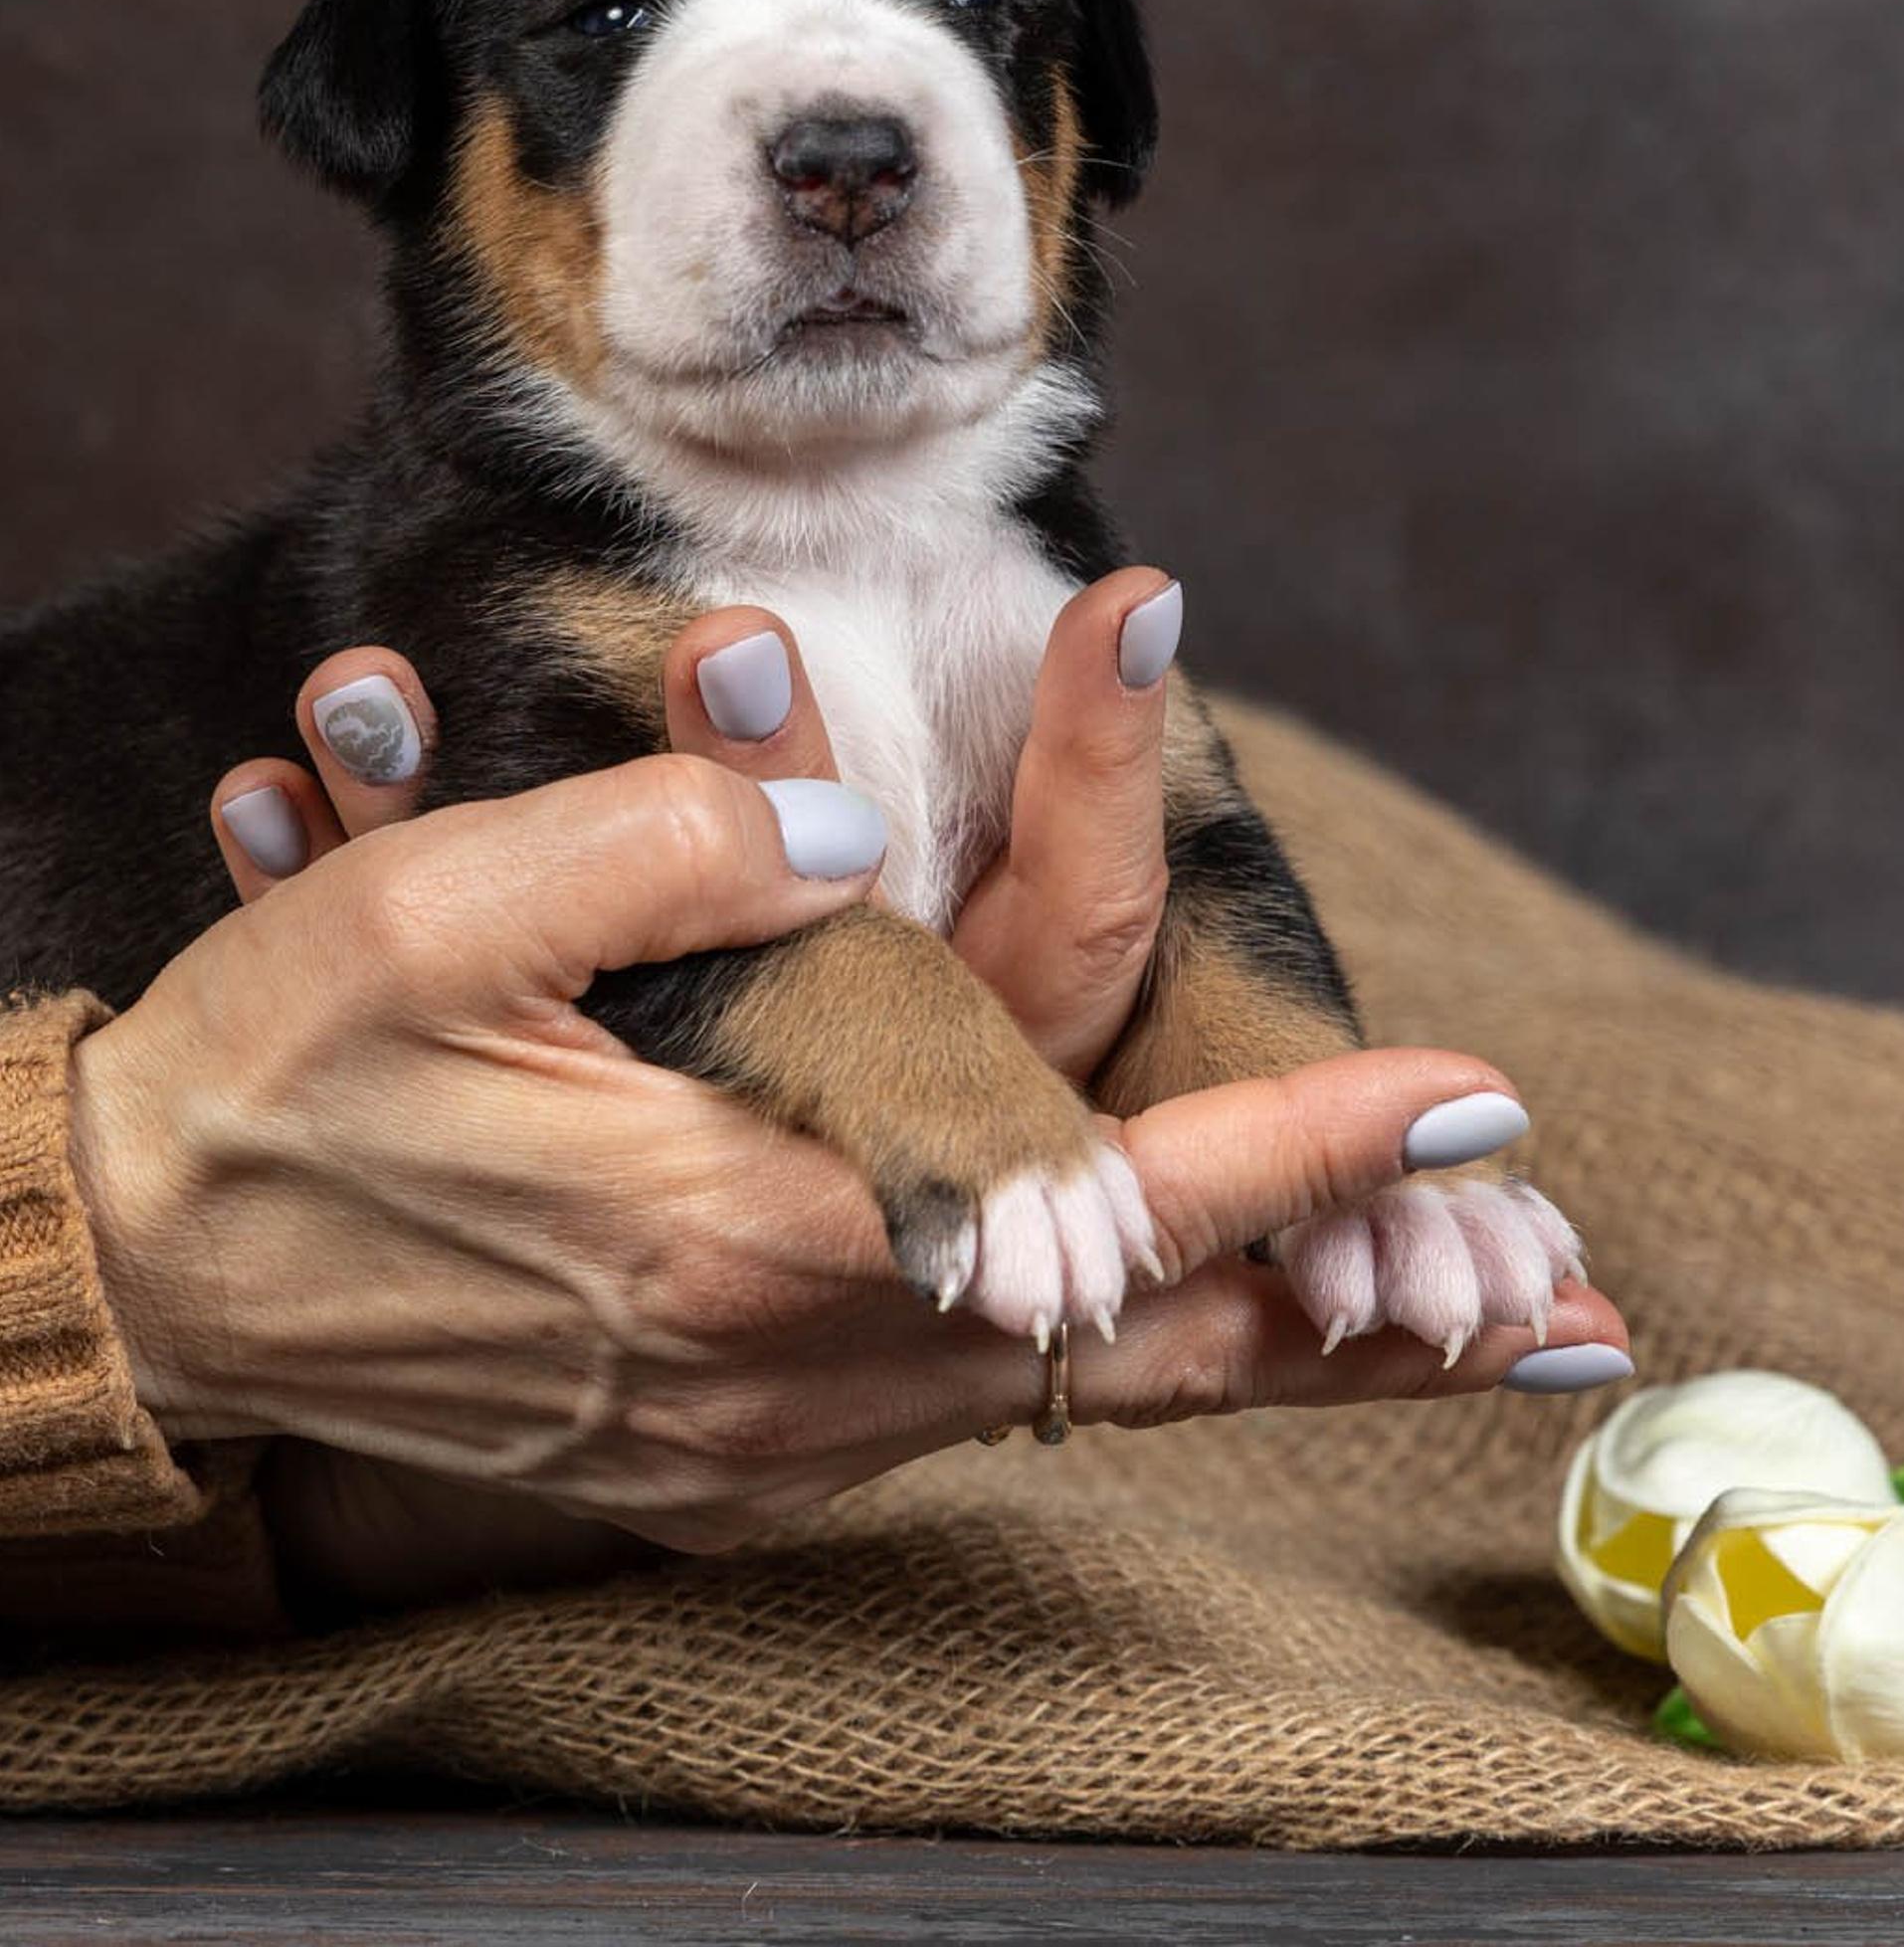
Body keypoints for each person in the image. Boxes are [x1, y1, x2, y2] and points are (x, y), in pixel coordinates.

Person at [2, 571, 1630, 1628]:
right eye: (607, 18)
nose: (845, 148)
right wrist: (104, 1238)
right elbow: (688, 954)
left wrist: (330, 1517)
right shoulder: (507, 567)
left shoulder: (1026, 577)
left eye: (982, 6)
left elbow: (1184, 891)